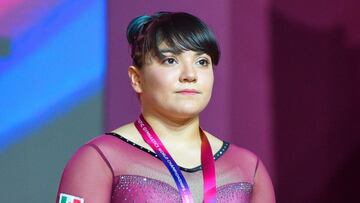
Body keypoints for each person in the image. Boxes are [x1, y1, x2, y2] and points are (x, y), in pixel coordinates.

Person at [56, 11, 275, 203]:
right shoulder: (99, 159)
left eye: (202, 62)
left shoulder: (248, 168)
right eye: (170, 60)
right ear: (136, 78)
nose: (190, 75)